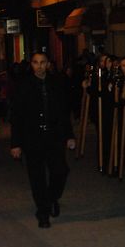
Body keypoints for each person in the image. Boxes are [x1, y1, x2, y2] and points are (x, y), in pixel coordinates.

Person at [10, 52, 75, 228]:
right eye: (35, 63)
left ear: (48, 64)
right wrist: (15, 143)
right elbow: (16, 116)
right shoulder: (23, 85)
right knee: (37, 177)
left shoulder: (57, 83)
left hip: (54, 136)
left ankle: (51, 198)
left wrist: (69, 136)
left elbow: (63, 112)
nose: (39, 66)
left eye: (42, 62)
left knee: (60, 171)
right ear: (31, 64)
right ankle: (43, 213)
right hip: (32, 138)